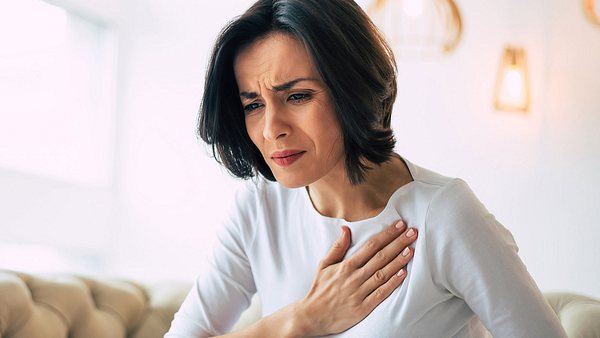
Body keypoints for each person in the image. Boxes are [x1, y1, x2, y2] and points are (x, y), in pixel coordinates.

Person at [166, 0, 567, 337]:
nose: (272, 129)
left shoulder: (444, 214)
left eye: (298, 95)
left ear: (351, 89)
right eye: (253, 104)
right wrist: (302, 319)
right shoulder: (258, 208)